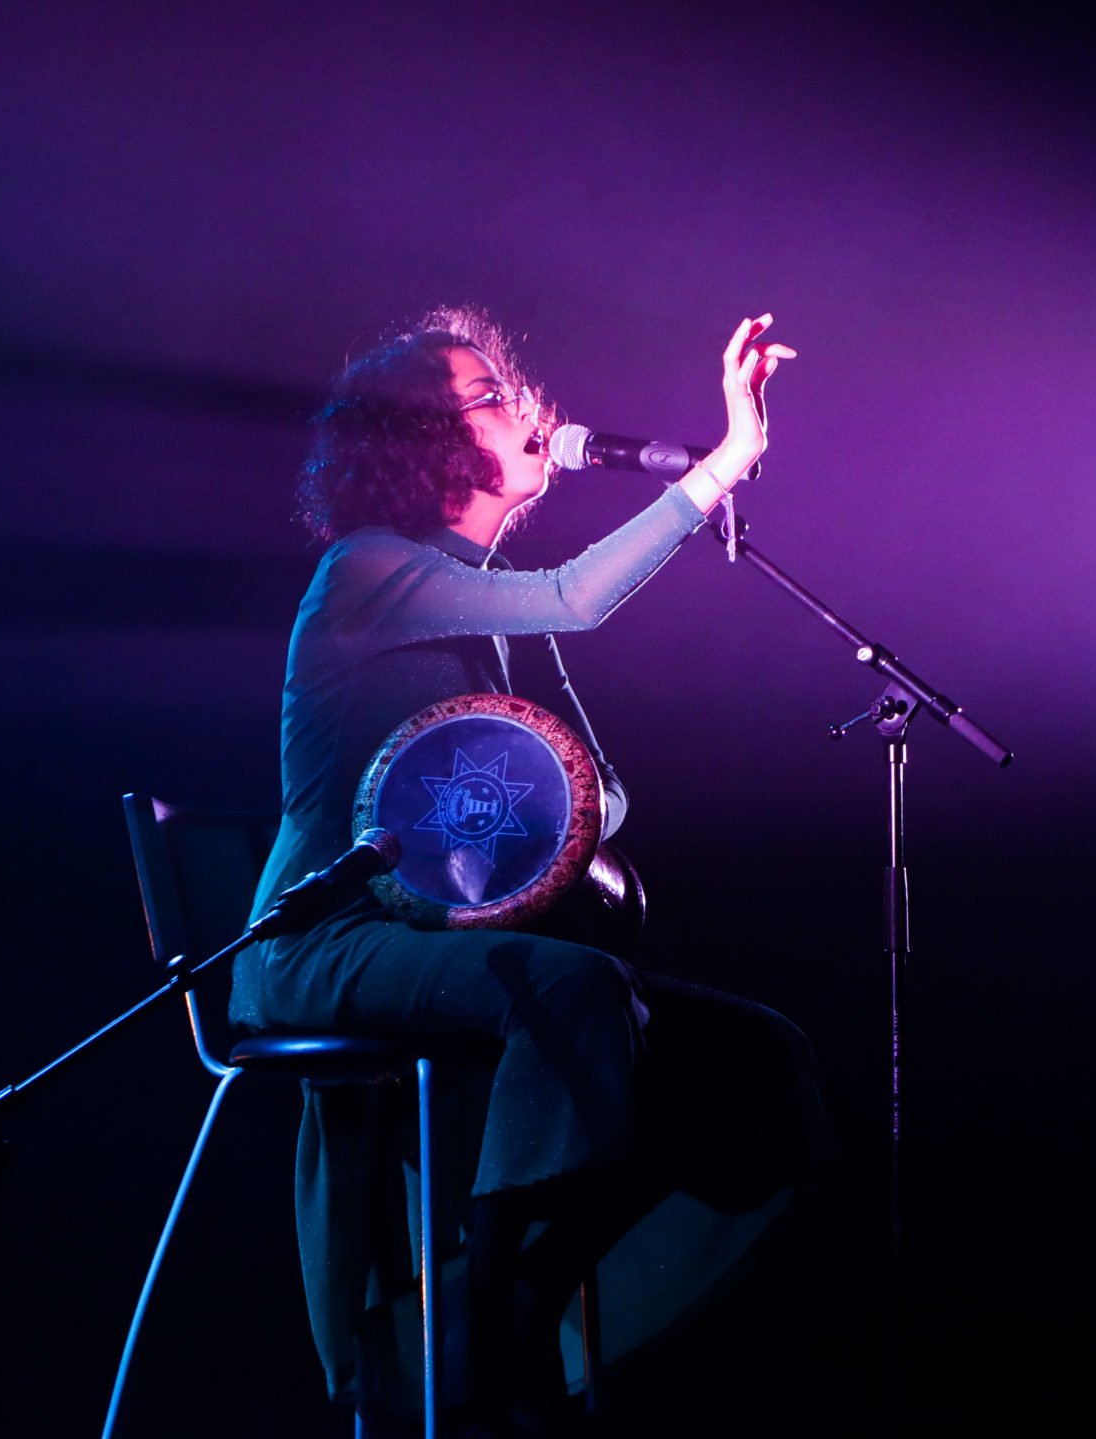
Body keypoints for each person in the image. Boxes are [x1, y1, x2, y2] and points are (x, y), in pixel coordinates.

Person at [230, 307, 831, 1436]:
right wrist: (725, 462)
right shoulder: (367, 570)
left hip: (443, 943)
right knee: (574, 990)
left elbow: (598, 791)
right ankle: (489, 1358)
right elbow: (579, 596)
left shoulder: (489, 604)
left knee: (760, 1058)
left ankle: (519, 1316)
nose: (529, 407)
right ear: (421, 439)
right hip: (329, 943)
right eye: (490, 393)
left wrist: (560, 813)